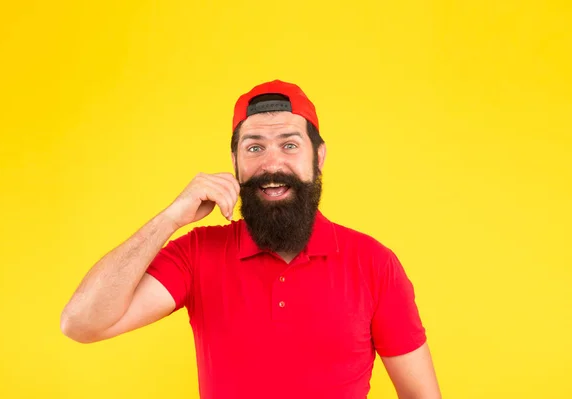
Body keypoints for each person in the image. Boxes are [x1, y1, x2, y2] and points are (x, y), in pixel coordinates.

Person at [60, 80, 442, 399]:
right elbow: (81, 323)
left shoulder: (373, 263)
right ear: (235, 162)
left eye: (289, 145)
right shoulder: (196, 254)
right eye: (254, 147)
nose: (271, 163)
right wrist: (171, 218)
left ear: (318, 157)